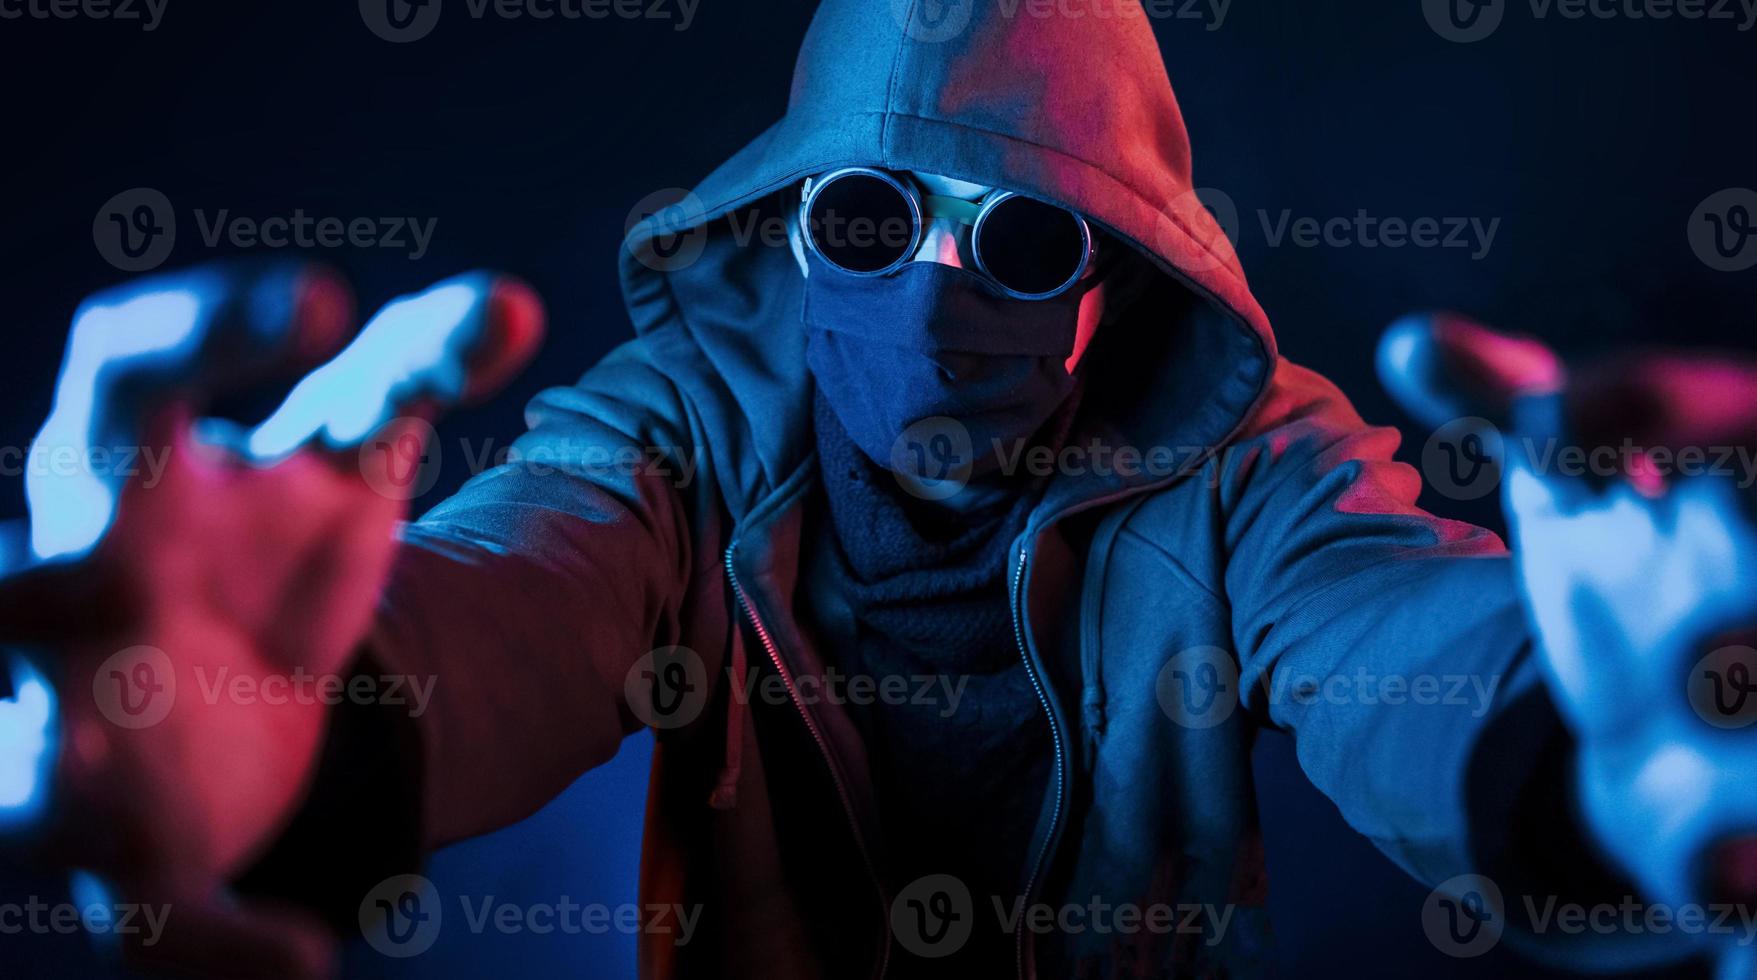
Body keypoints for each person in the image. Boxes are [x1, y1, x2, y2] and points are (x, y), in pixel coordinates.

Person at [3, 1, 1754, 978]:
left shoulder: (1242, 464)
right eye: (863, 219)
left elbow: (1390, 623)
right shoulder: (672, 438)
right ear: (784, 235)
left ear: (1115, 284)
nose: (927, 293)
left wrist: (1584, 763)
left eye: (1016, 236)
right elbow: (521, 587)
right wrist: (286, 714)